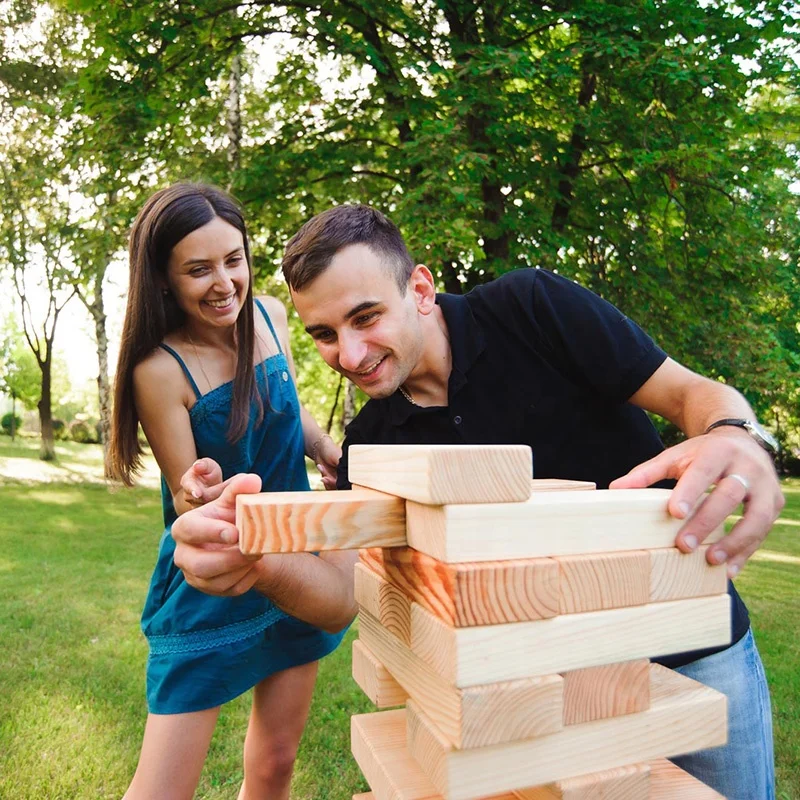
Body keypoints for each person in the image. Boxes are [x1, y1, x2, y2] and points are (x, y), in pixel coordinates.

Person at [172, 204, 784, 800]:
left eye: (366, 317)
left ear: (420, 288)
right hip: (530, 689)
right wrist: (256, 559)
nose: (350, 356)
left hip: (691, 650)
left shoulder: (534, 307)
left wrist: (733, 432)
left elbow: (691, 395)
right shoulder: (370, 446)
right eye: (325, 336)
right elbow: (338, 598)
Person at [107, 183, 357, 800]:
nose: (224, 283)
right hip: (214, 577)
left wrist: (323, 448)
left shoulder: (271, 313)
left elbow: (283, 407)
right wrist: (201, 488)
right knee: (163, 789)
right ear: (163, 279)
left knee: (274, 764)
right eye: (198, 269)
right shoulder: (159, 369)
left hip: (296, 565)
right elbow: (185, 489)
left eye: (233, 259)